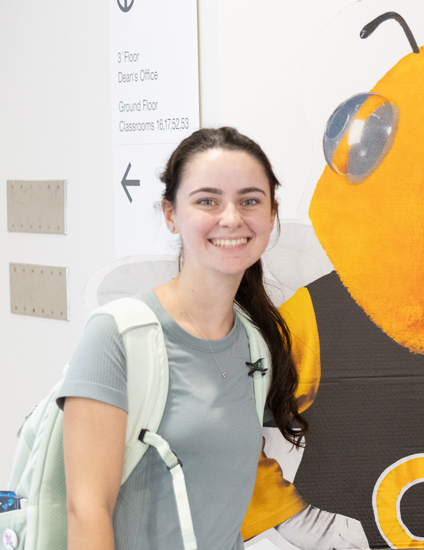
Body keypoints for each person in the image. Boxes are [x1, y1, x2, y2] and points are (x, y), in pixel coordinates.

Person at [60, 127, 308, 549]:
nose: (231, 218)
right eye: (207, 201)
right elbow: (87, 510)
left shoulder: (255, 344)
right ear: (170, 214)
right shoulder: (117, 335)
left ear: (271, 215)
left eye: (250, 201)